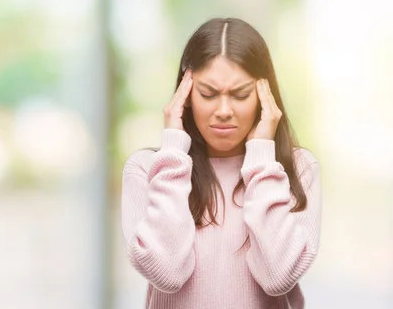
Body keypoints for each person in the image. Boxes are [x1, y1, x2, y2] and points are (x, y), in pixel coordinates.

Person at [120, 18, 321, 309]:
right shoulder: (147, 169)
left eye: (240, 95)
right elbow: (167, 274)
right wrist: (174, 151)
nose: (223, 111)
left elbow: (278, 277)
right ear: (185, 94)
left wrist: (262, 158)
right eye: (208, 94)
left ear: (265, 97)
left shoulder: (299, 170)